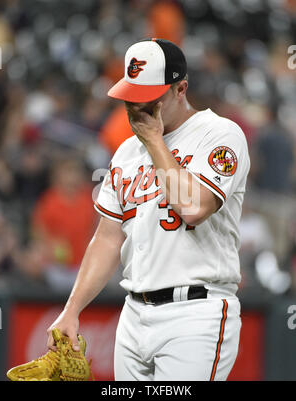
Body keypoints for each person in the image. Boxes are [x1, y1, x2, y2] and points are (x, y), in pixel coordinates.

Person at [46, 38, 250, 381]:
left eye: (148, 97)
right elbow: (108, 238)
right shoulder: (126, 152)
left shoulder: (219, 135)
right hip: (133, 313)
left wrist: (154, 141)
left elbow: (193, 207)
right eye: (131, 96)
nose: (136, 107)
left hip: (195, 313)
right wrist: (71, 310)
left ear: (181, 88)